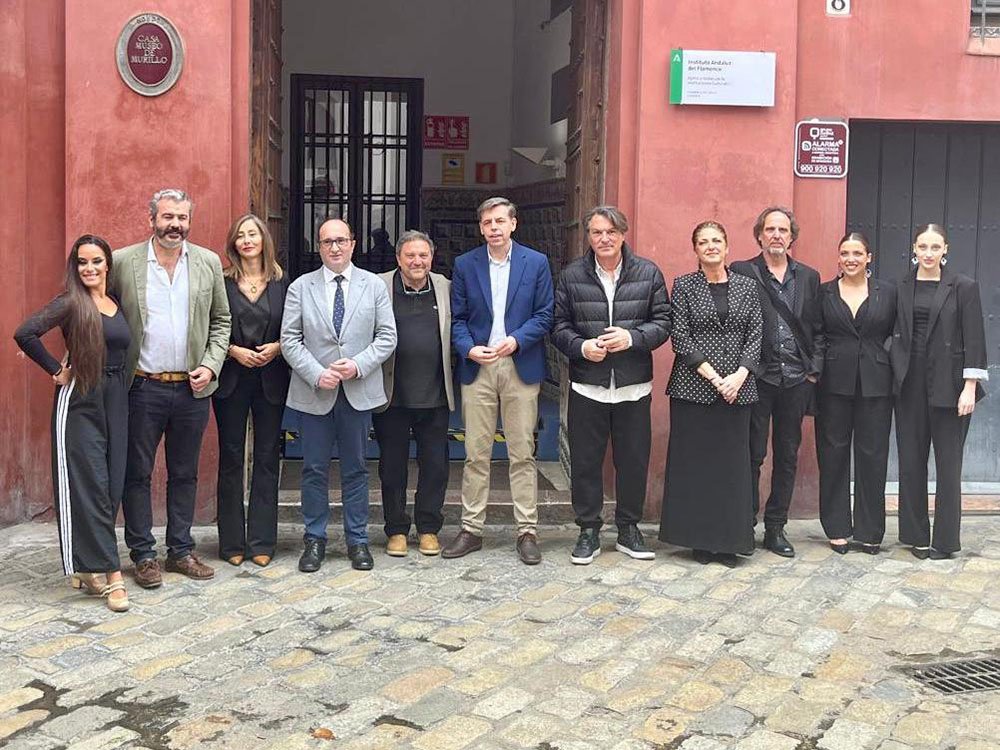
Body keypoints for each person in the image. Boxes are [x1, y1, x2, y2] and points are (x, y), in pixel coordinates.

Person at [113, 189, 231, 588]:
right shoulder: (124, 262)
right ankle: (143, 554)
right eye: (167, 217)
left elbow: (221, 321)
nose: (175, 225)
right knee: (137, 473)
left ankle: (180, 549)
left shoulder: (208, 262)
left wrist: (211, 366)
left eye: (182, 217)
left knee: (184, 473)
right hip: (141, 386)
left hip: (191, 389)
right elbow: (102, 316)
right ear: (151, 220)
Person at [14, 235, 131, 611]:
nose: (89, 268)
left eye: (96, 261)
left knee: (112, 484)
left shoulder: (116, 302)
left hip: (115, 398)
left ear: (107, 263)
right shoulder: (69, 302)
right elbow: (25, 333)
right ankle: (113, 577)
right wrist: (55, 370)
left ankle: (86, 566)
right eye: (82, 262)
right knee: (93, 486)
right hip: (80, 399)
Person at [551, 206, 671, 565]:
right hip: (588, 384)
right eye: (596, 232)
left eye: (610, 232)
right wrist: (582, 347)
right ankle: (588, 529)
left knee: (632, 460)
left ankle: (628, 528)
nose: (603, 239)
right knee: (586, 461)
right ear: (589, 236)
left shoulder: (647, 273)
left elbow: (663, 322)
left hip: (633, 386)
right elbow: (558, 326)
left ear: (623, 234)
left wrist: (633, 338)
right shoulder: (572, 275)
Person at [281, 218, 397, 572]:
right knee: (314, 469)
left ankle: (357, 540)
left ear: (353, 243)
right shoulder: (301, 287)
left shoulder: (374, 286)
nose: (334, 247)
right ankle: (314, 539)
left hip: (357, 390)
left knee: (357, 469)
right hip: (315, 392)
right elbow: (290, 338)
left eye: (341, 240)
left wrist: (358, 365)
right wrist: (318, 374)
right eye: (327, 241)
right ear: (319, 246)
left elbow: (387, 336)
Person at [443, 197, 554, 565]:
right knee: (476, 453)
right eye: (487, 222)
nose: (493, 227)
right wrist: (468, 348)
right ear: (481, 228)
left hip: (519, 364)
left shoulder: (535, 263)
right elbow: (457, 318)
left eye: (500, 221)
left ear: (513, 224)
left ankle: (527, 530)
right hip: (479, 366)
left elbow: (545, 313)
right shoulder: (465, 264)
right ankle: (472, 528)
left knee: (522, 452)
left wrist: (518, 339)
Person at [659, 221, 762, 567]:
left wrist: (738, 376)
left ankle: (730, 541)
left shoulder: (748, 287)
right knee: (696, 467)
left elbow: (755, 336)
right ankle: (698, 540)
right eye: (703, 241)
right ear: (695, 249)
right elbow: (681, 338)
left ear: (727, 246)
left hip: (738, 389)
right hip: (693, 390)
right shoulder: (684, 286)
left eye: (716, 240)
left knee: (732, 467)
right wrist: (716, 378)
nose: (711, 246)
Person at [889, 224, 988, 560]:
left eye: (935, 247)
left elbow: (974, 338)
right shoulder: (901, 285)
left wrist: (969, 388)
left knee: (948, 466)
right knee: (911, 462)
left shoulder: (963, 286)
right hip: (909, 384)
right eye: (922, 247)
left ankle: (944, 542)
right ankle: (916, 535)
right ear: (913, 248)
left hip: (950, 385)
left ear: (945, 249)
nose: (928, 253)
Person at [731, 206, 820, 558]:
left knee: (786, 455)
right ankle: (744, 521)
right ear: (760, 235)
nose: (777, 235)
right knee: (752, 453)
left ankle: (776, 526)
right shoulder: (742, 271)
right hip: (758, 376)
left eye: (783, 230)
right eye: (770, 229)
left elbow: (819, 327)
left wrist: (815, 369)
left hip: (796, 379)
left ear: (792, 236)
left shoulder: (809, 277)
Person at [213, 214, 290, 568]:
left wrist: (276, 347)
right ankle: (231, 543)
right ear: (234, 243)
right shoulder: (222, 281)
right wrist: (232, 350)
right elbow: (210, 324)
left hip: (271, 378)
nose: (246, 240)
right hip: (231, 378)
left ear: (264, 240)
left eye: (253, 234)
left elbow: (293, 328)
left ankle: (262, 541)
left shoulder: (281, 282)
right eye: (240, 235)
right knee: (231, 459)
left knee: (266, 458)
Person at [813, 233, 896, 555]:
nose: (851, 258)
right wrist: (815, 369)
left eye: (857, 253)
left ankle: (870, 531)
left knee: (872, 456)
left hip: (877, 383)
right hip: (833, 383)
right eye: (845, 253)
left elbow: (897, 332)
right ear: (838, 257)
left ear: (869, 257)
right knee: (833, 454)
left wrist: (888, 359)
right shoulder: (824, 293)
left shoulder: (887, 292)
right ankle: (836, 528)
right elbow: (816, 334)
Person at [374, 230, 455, 557]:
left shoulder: (446, 287)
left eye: (423, 255)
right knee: (391, 466)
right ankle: (395, 528)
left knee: (435, 465)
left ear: (431, 258)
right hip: (392, 394)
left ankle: (428, 527)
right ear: (398, 259)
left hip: (435, 393)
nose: (417, 261)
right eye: (410, 256)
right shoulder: (378, 286)